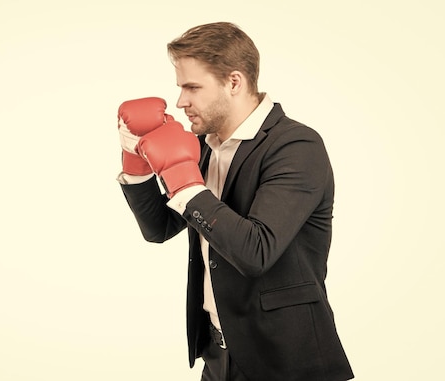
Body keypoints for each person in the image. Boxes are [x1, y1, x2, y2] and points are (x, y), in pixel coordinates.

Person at [115, 22, 354, 381]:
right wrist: (136, 163)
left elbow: (256, 251)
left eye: (192, 87)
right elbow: (158, 228)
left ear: (234, 82)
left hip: (286, 363)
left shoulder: (296, 147)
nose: (181, 102)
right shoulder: (204, 148)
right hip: (218, 357)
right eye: (180, 88)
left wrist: (184, 182)